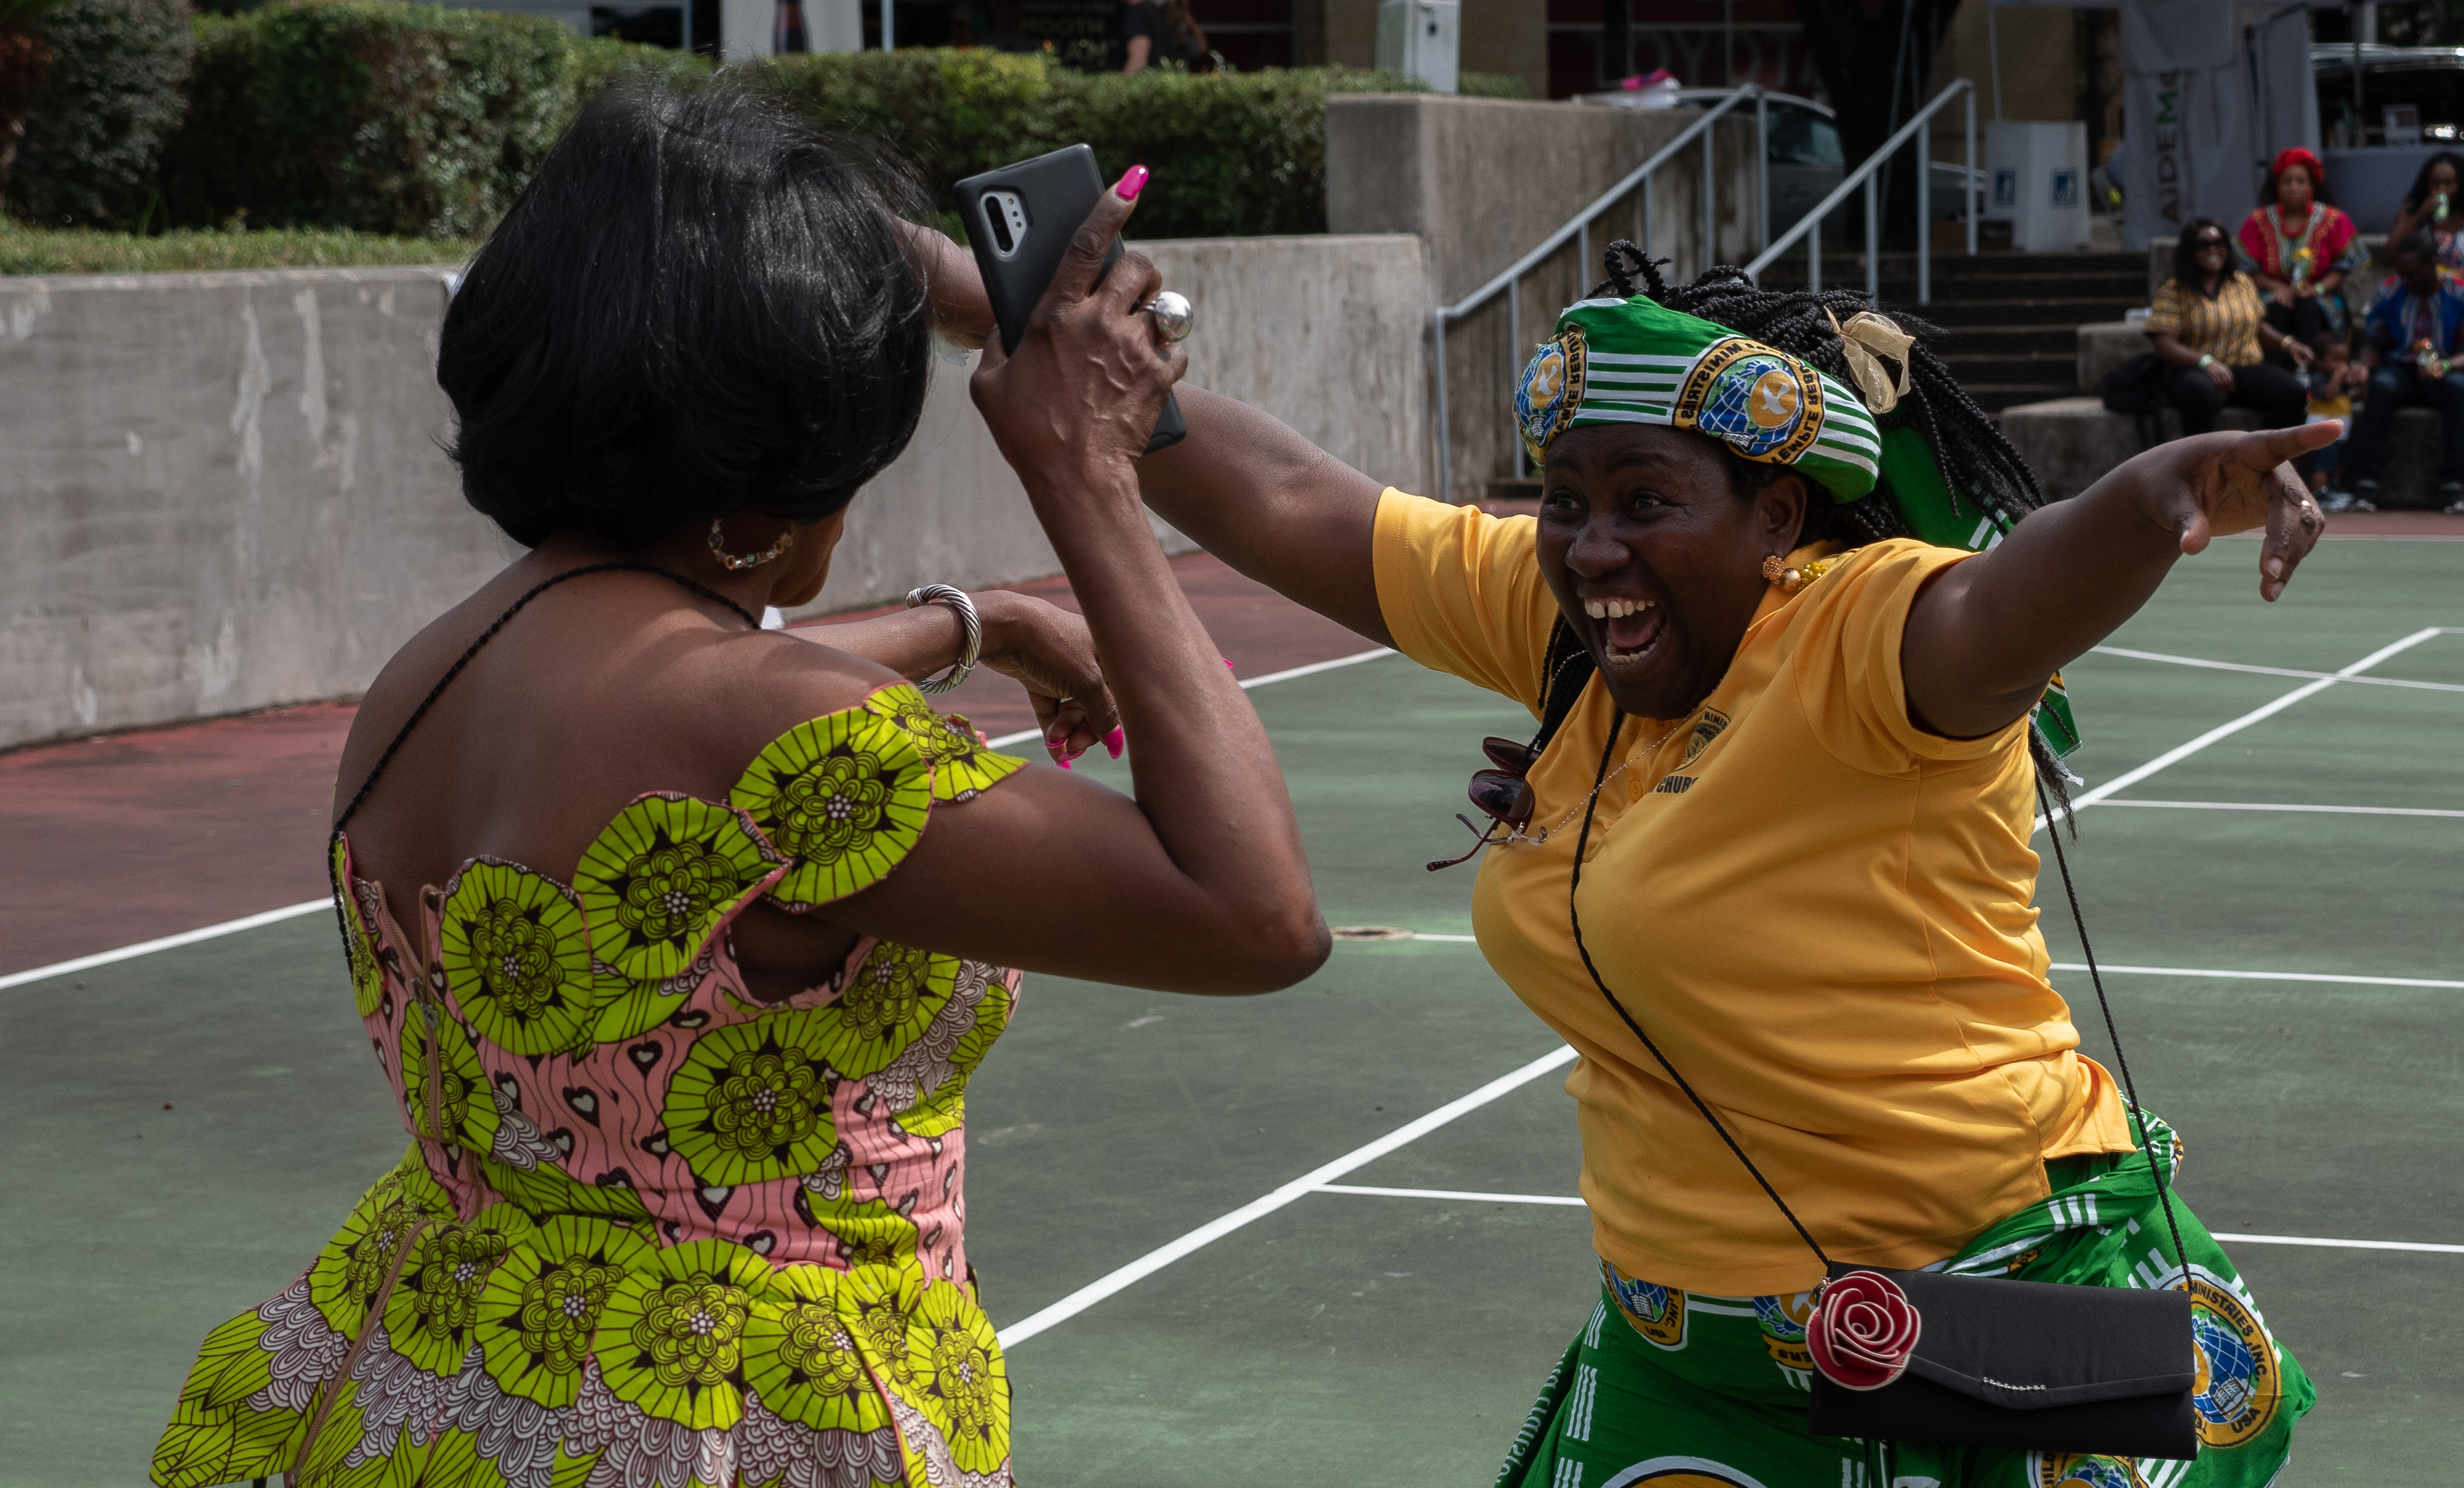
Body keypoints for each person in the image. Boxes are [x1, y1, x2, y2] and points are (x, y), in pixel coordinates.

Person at [936, 237, 2330, 1484]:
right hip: (1694, 1349)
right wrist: (952, 278)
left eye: (1646, 501)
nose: (1592, 547)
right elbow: (1290, 495)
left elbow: (2008, 605)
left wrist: (2152, 495)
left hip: (1989, 1308)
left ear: (1775, 519)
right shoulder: (1568, 623)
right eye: (1565, 500)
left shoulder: (1855, 633)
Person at [147, 86, 1325, 1488]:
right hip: (729, 1420)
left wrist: (976, 622)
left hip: (443, 1383)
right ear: (762, 509)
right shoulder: (786, 743)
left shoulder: (436, 674)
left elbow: (669, 688)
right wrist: (1086, 471)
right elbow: (1252, 915)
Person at [2347, 235, 2464, 514]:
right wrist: (2363, 366)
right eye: (2402, 273)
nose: (2407, 280)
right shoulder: (2390, 290)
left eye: (2413, 273)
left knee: (2459, 389)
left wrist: (2444, 367)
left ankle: (2453, 488)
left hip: (2447, 368)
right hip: (2402, 368)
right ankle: (2366, 486)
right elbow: (2375, 341)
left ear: (2432, 264)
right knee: (2381, 385)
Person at [2147, 217, 2312, 440]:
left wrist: (2287, 343)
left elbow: (2257, 326)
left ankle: (2260, 456)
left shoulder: (2242, 282)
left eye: (2219, 243)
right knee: (2198, 391)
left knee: (2292, 392)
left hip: (2241, 368)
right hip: (2193, 371)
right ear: (2190, 251)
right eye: (2203, 245)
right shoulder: (2173, 290)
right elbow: (2164, 345)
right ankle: (2203, 459)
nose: (2213, 250)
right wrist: (2205, 362)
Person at [2238, 146, 2366, 345]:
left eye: (2301, 181)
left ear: (2311, 186)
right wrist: (2279, 288)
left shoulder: (2335, 220)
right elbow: (2248, 269)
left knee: (2309, 309)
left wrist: (2316, 289)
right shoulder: (2256, 221)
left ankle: (2312, 362)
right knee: (2276, 309)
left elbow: (2342, 267)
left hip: (2320, 294)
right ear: (2277, 186)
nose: (2294, 187)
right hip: (2272, 293)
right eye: (2287, 181)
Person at [2384, 149, 2464, 328]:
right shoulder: (2411, 213)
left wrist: (2455, 288)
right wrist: (2420, 216)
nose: (2441, 190)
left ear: (2461, 185)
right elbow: (2388, 256)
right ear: (2427, 185)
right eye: (2436, 183)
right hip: (2417, 288)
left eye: (2449, 183)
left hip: (2461, 290)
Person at [2301, 332, 2362, 509]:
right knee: (2322, 463)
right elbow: (2329, 396)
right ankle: (2319, 492)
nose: (2342, 365)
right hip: (2321, 431)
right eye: (2336, 360)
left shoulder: (2343, 381)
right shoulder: (2318, 379)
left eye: (2345, 360)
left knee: (2340, 461)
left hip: (2341, 433)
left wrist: (2359, 383)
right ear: (2319, 361)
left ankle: (2333, 487)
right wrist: (2338, 376)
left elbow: (2357, 398)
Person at [1121, 0, 1202, 72]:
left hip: (1149, 81)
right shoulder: (1162, 15)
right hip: (1166, 79)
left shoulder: (1140, 12)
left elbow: (1137, 65)